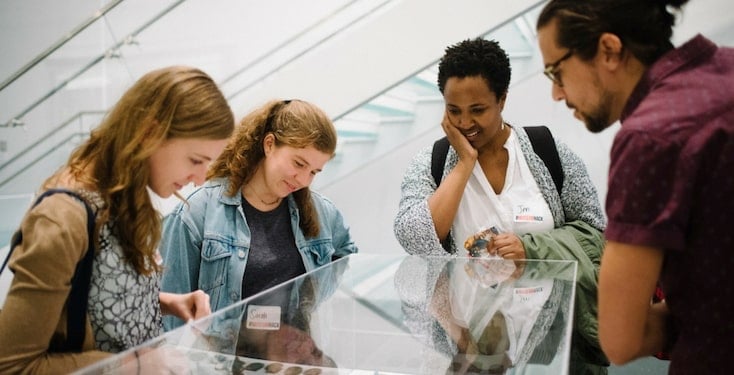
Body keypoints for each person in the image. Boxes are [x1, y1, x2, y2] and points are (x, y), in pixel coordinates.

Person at [535, 0, 734, 372]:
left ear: (609, 50)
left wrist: (694, 316)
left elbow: (621, 338)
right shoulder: (727, 66)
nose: (557, 94)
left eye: (555, 73)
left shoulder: (648, 138)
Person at [393, 38, 609, 374]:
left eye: (477, 110)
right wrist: (465, 162)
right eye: (454, 111)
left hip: (549, 345)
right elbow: (415, 238)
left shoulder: (546, 150)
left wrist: (531, 247)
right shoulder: (433, 162)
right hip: (465, 337)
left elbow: (594, 232)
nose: (465, 123)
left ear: (502, 99)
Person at [0, 65, 235, 373]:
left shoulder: (124, 192)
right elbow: (13, 365)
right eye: (195, 160)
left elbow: (94, 292)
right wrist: (134, 364)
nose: (201, 179)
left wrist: (164, 301)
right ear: (150, 133)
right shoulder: (62, 219)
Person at [159, 99, 358, 330]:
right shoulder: (198, 212)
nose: (303, 180)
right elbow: (171, 316)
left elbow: (347, 255)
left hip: (291, 361)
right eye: (298, 163)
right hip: (221, 361)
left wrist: (307, 306)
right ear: (269, 144)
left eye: (314, 172)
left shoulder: (323, 212)